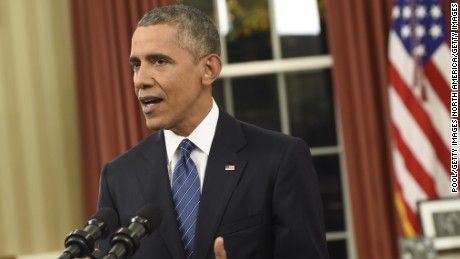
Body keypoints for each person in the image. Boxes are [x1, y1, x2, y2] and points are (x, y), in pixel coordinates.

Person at [97, 4, 329, 259]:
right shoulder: (118, 177)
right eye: (136, 65)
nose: (140, 79)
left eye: (159, 61)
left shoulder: (279, 160)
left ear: (209, 69)